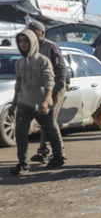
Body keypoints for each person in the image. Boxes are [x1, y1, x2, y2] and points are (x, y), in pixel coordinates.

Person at [8, 29, 62, 175]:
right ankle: (23, 164)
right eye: (20, 41)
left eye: (26, 41)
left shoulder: (42, 60)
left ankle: (58, 157)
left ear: (32, 41)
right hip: (24, 104)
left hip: (41, 103)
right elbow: (18, 85)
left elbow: (50, 81)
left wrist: (45, 101)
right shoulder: (19, 63)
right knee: (20, 133)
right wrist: (13, 104)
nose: (23, 44)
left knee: (50, 131)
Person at [27, 21, 67, 167]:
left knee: (50, 121)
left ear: (41, 33)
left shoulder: (51, 47)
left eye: (34, 32)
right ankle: (44, 152)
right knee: (45, 121)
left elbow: (61, 71)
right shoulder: (31, 48)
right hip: (41, 90)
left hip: (54, 89)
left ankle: (58, 153)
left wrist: (56, 90)